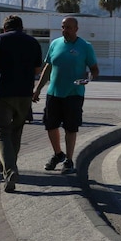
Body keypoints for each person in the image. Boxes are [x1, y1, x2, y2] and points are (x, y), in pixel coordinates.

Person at [0, 15, 43, 193]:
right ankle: (7, 168)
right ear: (21, 27)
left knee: (1, 132)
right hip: (25, 95)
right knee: (16, 133)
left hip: (3, 94)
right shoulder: (32, 42)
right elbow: (37, 69)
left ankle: (10, 170)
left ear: (5, 28)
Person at [32, 17, 99, 174]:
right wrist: (38, 88)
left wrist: (88, 78)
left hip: (74, 94)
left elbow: (94, 69)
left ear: (76, 28)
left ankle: (69, 160)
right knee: (50, 125)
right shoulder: (55, 44)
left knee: (70, 127)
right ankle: (58, 154)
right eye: (63, 27)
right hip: (54, 93)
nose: (65, 30)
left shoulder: (85, 47)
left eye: (68, 27)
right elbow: (48, 67)